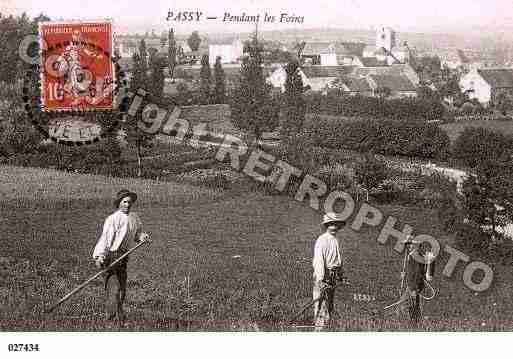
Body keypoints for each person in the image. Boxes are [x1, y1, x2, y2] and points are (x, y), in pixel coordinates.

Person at [92, 189, 150, 322]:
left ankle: (118, 318)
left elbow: (137, 234)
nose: (127, 205)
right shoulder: (113, 219)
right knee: (114, 290)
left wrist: (142, 237)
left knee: (122, 291)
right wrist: (100, 256)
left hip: (123, 257)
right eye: (124, 202)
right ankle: (111, 319)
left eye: (129, 202)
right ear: (119, 203)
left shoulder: (134, 218)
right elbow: (105, 239)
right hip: (110, 257)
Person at [312, 212, 345, 331]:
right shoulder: (322, 240)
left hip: (332, 276)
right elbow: (319, 260)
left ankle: (326, 327)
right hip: (324, 276)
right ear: (327, 225)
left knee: (329, 303)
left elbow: (338, 259)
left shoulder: (335, 240)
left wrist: (341, 275)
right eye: (331, 224)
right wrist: (321, 279)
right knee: (320, 303)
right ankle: (319, 329)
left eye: (336, 224)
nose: (334, 227)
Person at [403, 236, 436, 325]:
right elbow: (411, 271)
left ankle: (416, 324)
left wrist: (415, 288)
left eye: (411, 244)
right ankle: (414, 323)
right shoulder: (411, 255)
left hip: (415, 287)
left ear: (416, 245)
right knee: (411, 307)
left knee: (415, 307)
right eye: (407, 245)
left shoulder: (416, 256)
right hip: (411, 285)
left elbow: (417, 273)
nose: (409, 246)